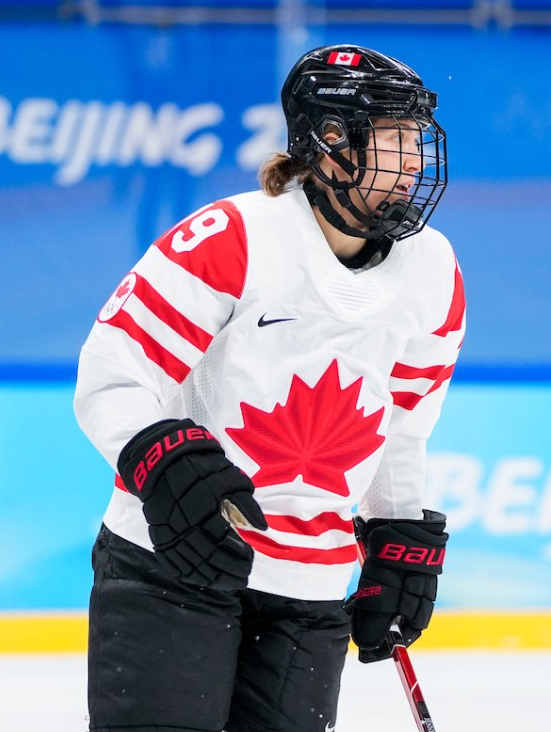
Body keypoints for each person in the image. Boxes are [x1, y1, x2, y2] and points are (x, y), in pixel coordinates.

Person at [73, 44, 465, 732]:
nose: (412, 162)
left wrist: (397, 532)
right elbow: (112, 374)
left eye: (415, 139)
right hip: (176, 567)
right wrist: (165, 461)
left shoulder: (433, 271)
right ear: (332, 143)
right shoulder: (233, 237)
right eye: (395, 138)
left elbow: (403, 425)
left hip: (309, 591)